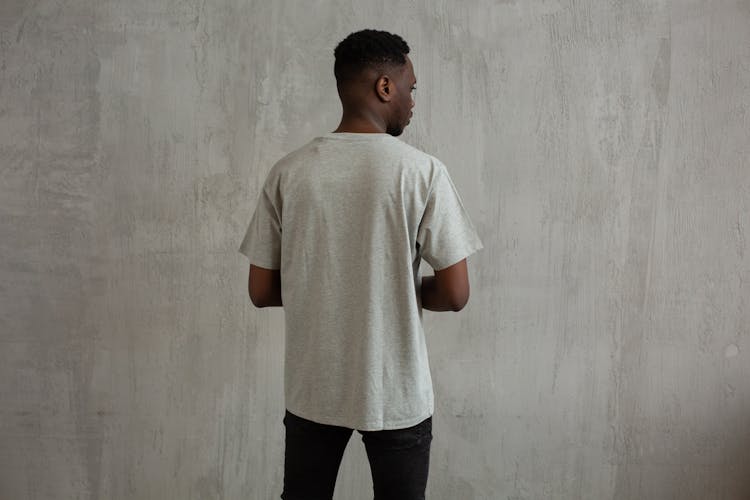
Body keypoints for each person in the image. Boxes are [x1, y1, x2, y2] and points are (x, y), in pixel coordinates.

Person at [239, 28, 484, 500]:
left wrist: (328, 285)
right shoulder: (422, 172)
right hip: (397, 393)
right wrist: (390, 287)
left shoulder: (289, 172)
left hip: (314, 388)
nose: (413, 101)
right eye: (411, 88)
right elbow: (455, 294)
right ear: (384, 87)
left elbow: (261, 290)